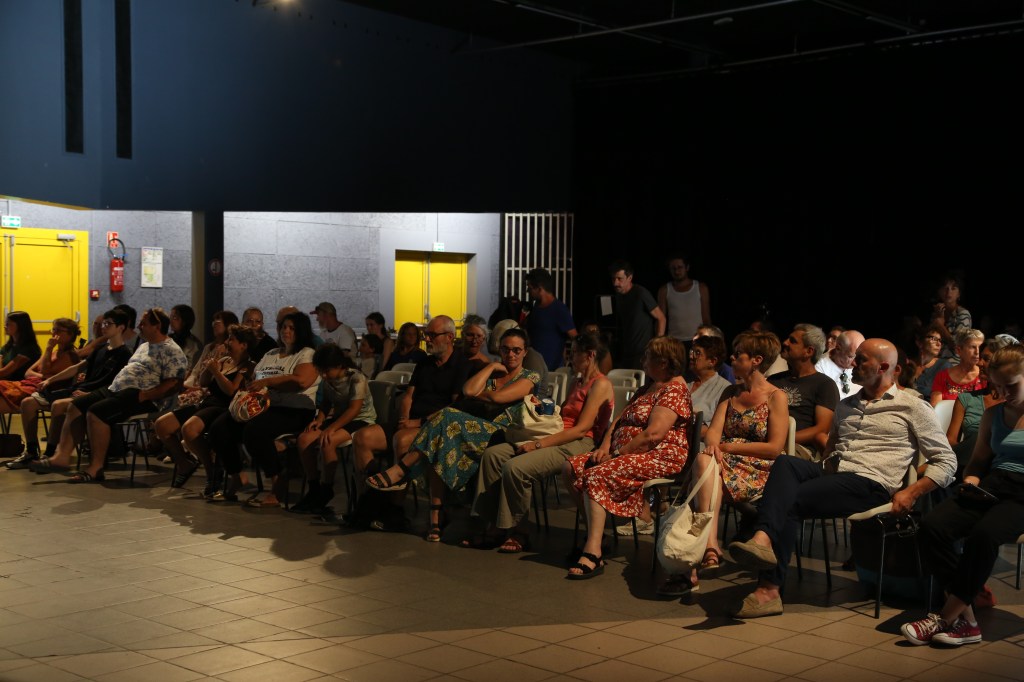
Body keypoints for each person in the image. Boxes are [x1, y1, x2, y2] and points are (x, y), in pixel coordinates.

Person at [727, 338, 957, 618]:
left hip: (870, 481)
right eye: (855, 358)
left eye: (862, 360)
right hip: (835, 471)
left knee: (790, 500)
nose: (853, 364)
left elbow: (947, 461)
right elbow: (831, 448)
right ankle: (762, 538)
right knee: (786, 463)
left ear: (884, 367)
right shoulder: (846, 405)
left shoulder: (913, 406)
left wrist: (912, 491)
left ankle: (768, 590)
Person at [900, 344, 1024, 647]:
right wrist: (971, 480)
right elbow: (979, 461)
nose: (1003, 392)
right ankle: (966, 616)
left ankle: (944, 617)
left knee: (984, 535)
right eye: (997, 386)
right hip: (994, 484)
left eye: (1011, 385)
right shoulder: (993, 415)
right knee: (932, 527)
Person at [366, 327, 540, 542]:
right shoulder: (493, 373)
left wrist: (483, 394)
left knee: (446, 416)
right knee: (440, 439)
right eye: (505, 349)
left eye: (516, 350)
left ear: (525, 352)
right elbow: (469, 391)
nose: (510, 354)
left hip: (504, 434)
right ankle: (436, 518)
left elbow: (497, 398)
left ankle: (402, 469)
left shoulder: (530, 376)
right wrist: (492, 366)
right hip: (477, 431)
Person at [467, 332, 613, 552]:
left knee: (516, 467)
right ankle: (494, 525)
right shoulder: (577, 381)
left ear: (590, 355)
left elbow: (581, 429)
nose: (569, 357)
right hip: (558, 435)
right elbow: (562, 417)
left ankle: (520, 531)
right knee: (493, 455)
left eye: (574, 352)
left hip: (580, 442)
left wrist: (538, 444)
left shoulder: (600, 384)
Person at [562, 336, 693, 579]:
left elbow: (653, 435)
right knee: (571, 467)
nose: (642, 361)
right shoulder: (649, 387)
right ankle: (597, 534)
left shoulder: (674, 390)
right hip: (624, 452)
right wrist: (605, 446)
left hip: (659, 456)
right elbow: (619, 420)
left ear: (663, 362)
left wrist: (617, 454)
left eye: (647, 357)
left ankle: (593, 551)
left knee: (596, 474)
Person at [678, 331, 788, 590]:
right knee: (704, 462)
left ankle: (699, 555)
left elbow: (774, 448)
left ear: (756, 360)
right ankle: (710, 546)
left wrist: (726, 447)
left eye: (739, 355)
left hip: (758, 466)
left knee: (702, 476)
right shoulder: (731, 392)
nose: (732, 359)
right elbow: (713, 434)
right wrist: (715, 446)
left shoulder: (776, 397)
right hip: (723, 462)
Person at [33, 308, 189, 481]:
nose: (139, 326)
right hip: (117, 389)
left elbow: (173, 383)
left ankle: (96, 468)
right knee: (76, 405)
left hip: (143, 395)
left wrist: (146, 395)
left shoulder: (172, 350)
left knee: (96, 412)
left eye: (143, 323)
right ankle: (61, 457)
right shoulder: (144, 346)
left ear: (157, 326)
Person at [206, 312, 321, 505]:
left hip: (295, 409)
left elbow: (301, 381)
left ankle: (277, 481)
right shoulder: (271, 354)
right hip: (264, 405)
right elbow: (255, 378)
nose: (286, 331)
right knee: (220, 427)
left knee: (254, 430)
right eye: (283, 327)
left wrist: (268, 382)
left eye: (291, 328)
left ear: (301, 331)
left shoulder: (307, 353)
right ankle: (236, 475)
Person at [351, 315, 469, 490]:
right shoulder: (424, 363)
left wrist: (417, 422)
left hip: (434, 426)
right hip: (410, 421)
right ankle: (371, 495)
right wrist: (404, 419)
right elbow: (408, 396)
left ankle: (395, 502)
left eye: (432, 335)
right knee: (362, 437)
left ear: (449, 337)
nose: (427, 339)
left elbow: (454, 407)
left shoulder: (461, 365)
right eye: (426, 334)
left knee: (401, 439)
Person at [10, 309, 131, 467]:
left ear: (121, 328)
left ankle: (51, 452)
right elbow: (77, 368)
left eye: (108, 324)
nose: (103, 327)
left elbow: (116, 384)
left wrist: (90, 393)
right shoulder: (101, 349)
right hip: (80, 388)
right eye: (103, 323)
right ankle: (31, 450)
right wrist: (50, 380)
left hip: (96, 394)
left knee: (58, 405)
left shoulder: (124, 354)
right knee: (27, 403)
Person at [152, 324, 256, 492]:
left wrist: (217, 372)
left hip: (223, 407)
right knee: (162, 425)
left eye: (232, 339)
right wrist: (210, 365)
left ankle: (211, 469)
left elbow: (231, 390)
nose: (227, 342)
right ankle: (184, 463)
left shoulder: (248, 366)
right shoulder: (224, 361)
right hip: (206, 403)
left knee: (189, 429)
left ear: (243, 345)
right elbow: (203, 382)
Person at [291, 343, 376, 515]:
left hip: (360, 420)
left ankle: (326, 488)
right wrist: (319, 420)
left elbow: (354, 409)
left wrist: (331, 428)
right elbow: (326, 402)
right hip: (339, 419)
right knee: (304, 439)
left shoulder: (356, 378)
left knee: (328, 440)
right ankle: (313, 486)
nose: (323, 375)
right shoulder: (328, 380)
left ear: (338, 365)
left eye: (326, 370)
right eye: (321, 371)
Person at [768, 324, 839, 460]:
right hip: (767, 442)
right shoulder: (773, 380)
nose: (785, 343)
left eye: (793, 341)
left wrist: (781, 439)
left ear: (809, 351)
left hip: (797, 448)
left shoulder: (824, 385)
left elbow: (821, 429)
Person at [0, 317, 80, 415]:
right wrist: (44, 376)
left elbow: (44, 370)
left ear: (70, 334)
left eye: (58, 330)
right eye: (53, 329)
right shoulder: (53, 352)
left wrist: (49, 348)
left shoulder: (70, 355)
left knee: (7, 392)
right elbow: (28, 372)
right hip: (30, 383)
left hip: (44, 390)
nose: (54, 333)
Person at [609, 260, 666, 370]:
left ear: (630, 278)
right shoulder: (619, 296)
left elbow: (661, 318)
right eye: (613, 279)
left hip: (642, 352)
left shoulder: (641, 293)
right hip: (627, 352)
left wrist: (658, 345)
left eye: (619, 279)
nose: (615, 283)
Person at [523, 268, 576, 370]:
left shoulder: (559, 309)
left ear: (539, 288)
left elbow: (574, 337)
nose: (527, 291)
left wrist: (571, 360)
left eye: (530, 288)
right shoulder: (535, 308)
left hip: (552, 371)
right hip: (533, 368)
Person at [685, 334, 732, 443]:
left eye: (697, 353)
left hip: (697, 445)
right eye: (692, 352)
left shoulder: (725, 389)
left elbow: (714, 429)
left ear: (712, 361)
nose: (691, 356)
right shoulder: (684, 381)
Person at [657, 253, 711, 347]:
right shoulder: (664, 290)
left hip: (697, 339)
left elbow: (706, 317)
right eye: (673, 268)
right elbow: (660, 318)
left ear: (687, 267)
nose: (677, 271)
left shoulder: (701, 288)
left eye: (680, 267)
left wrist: (708, 339)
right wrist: (659, 341)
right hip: (674, 341)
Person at [930, 328, 986, 405]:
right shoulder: (942, 377)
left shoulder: (985, 377)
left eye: (980, 347)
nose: (977, 352)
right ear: (958, 350)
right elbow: (935, 408)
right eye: (972, 347)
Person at [929, 271, 972, 360]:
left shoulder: (963, 314)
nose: (949, 292)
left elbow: (958, 346)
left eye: (953, 288)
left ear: (959, 294)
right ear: (939, 291)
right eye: (945, 288)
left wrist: (941, 326)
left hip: (953, 362)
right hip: (934, 360)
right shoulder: (937, 312)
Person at [815, 329, 865, 398]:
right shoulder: (819, 368)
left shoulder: (860, 364)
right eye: (850, 357)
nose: (855, 363)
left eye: (859, 357)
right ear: (838, 348)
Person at [0, 311, 42, 382]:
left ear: (20, 325)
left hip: (19, 385)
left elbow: (3, 373)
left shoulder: (29, 349)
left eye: (8, 324)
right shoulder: (7, 346)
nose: (5, 326)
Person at [912, 322, 950, 398]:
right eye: (934, 339)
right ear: (919, 342)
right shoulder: (909, 364)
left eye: (940, 340)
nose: (939, 344)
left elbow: (947, 395)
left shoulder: (944, 366)